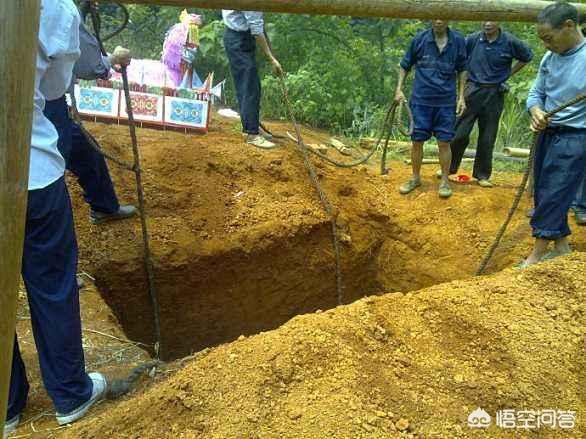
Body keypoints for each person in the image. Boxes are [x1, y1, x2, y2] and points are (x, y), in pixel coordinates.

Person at [4, 1, 106, 437]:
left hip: (32, 168)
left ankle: (7, 403)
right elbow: (52, 89)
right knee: (51, 282)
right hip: (32, 170)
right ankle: (69, 392)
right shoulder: (56, 7)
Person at [43, 21, 137, 225]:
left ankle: (104, 206)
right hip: (45, 107)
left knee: (85, 151)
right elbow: (90, 66)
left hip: (39, 103)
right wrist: (112, 58)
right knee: (46, 177)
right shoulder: (63, 9)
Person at [523, 1, 586, 267]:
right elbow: (536, 93)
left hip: (575, 137)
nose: (546, 45)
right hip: (548, 133)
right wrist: (536, 111)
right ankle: (561, 246)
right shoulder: (550, 59)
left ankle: (536, 255)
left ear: (569, 26)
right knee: (543, 190)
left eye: (549, 38)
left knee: (555, 191)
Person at [448, 22, 534, 187]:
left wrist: (509, 73)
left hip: (495, 93)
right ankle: (449, 169)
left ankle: (482, 175)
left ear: (500, 21)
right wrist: (461, 93)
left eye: (492, 20)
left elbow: (527, 57)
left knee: (487, 137)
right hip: (471, 90)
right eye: (485, 20)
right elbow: (461, 63)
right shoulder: (472, 39)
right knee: (459, 133)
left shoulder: (509, 41)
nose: (487, 24)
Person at [395, 20, 467, 198]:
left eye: (442, 17)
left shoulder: (458, 41)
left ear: (449, 18)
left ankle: (444, 181)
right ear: (430, 18)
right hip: (421, 101)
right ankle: (415, 177)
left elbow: (463, 69)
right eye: (435, 16)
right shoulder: (419, 40)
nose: (438, 21)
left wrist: (461, 97)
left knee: (444, 142)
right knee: (417, 141)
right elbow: (404, 66)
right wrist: (398, 89)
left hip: (446, 102)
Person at [222, 10, 283, 149]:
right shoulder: (252, 4)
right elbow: (256, 30)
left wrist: (272, 56)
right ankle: (251, 134)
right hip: (238, 40)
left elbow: (258, 27)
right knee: (249, 86)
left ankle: (253, 126)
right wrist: (272, 59)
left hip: (240, 36)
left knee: (252, 84)